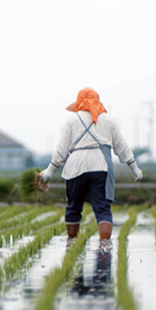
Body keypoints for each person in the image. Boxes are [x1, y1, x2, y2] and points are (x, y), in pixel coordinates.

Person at [41, 88, 142, 239]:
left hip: (76, 167)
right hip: (100, 166)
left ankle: (72, 242)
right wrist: (134, 167)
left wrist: (50, 170)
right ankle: (105, 245)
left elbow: (62, 149)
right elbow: (121, 146)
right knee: (102, 209)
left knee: (73, 207)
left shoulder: (71, 121)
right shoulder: (108, 120)